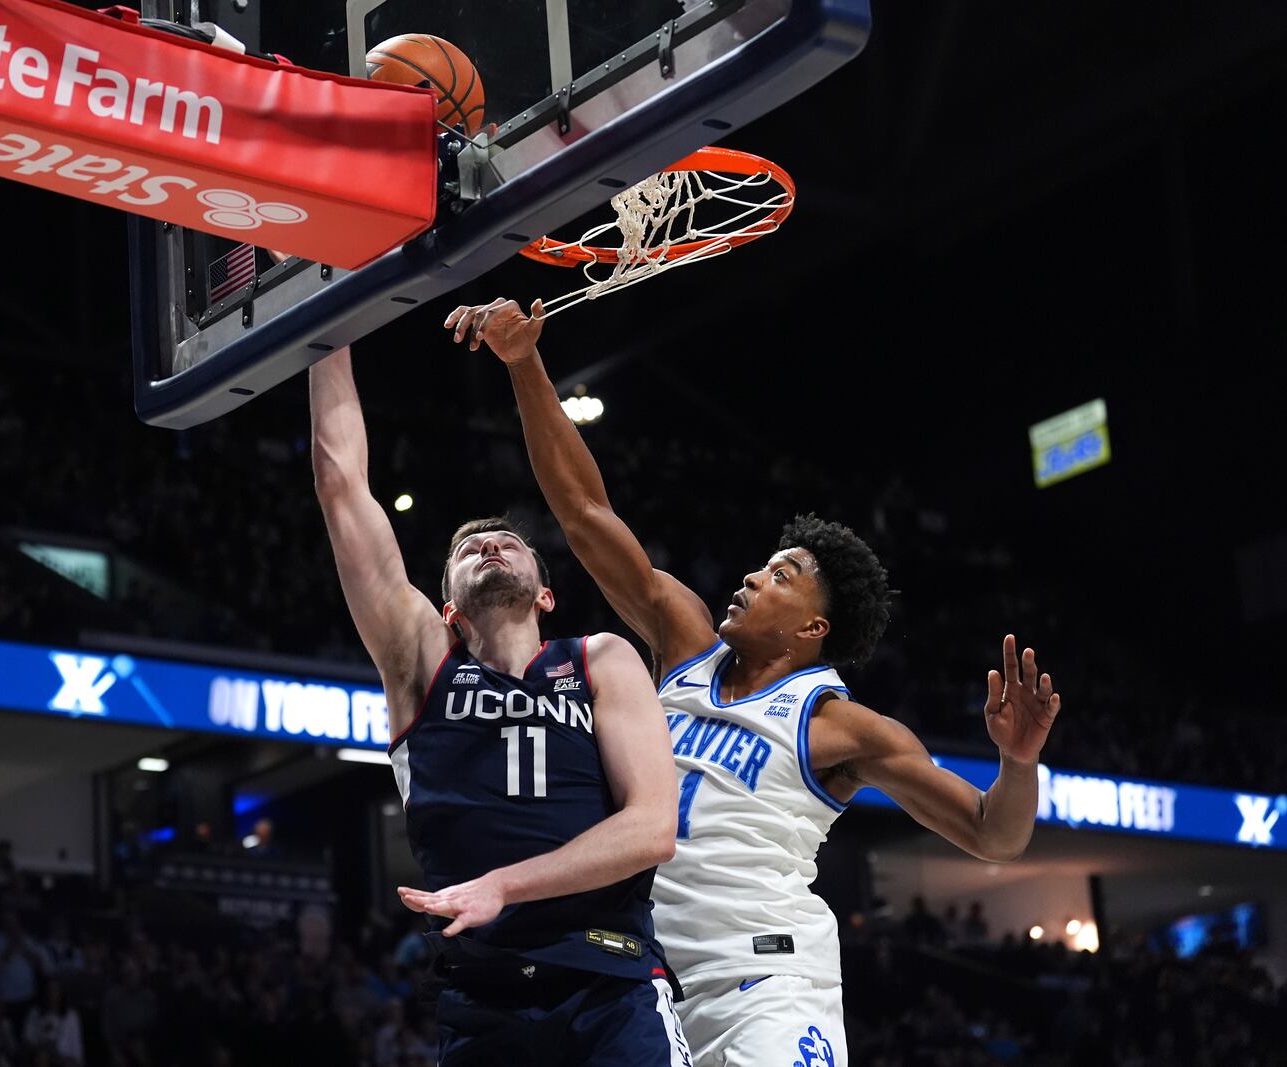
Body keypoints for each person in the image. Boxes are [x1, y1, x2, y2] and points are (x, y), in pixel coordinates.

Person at [447, 298, 1064, 1067]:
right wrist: (525, 363)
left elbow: (992, 834)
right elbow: (582, 511)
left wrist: (1018, 762)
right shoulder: (683, 641)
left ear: (813, 629)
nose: (750, 575)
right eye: (762, 565)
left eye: (781, 577)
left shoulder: (839, 725)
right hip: (647, 981)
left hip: (767, 981)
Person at [309, 346, 688, 1065]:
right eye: (468, 547)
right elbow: (341, 484)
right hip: (483, 1000)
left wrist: (503, 886)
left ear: (545, 594)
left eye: (509, 542)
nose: (489, 542)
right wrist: (331, 324)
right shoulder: (423, 662)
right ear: (446, 605)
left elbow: (651, 828)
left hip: (612, 983)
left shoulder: (600, 657)